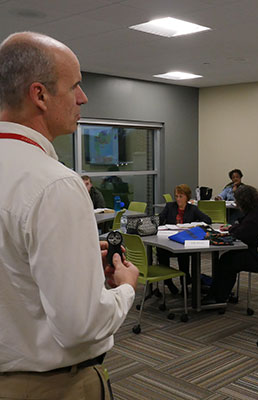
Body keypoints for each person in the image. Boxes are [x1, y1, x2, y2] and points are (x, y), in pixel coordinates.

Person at [0, 32, 139, 398]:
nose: (83, 97)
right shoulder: (54, 184)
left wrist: (73, 255)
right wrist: (126, 288)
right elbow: (81, 326)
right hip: (49, 386)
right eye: (75, 85)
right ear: (40, 95)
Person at [202, 185, 258, 305]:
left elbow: (240, 233)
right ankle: (218, 293)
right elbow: (243, 227)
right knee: (228, 258)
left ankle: (218, 297)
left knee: (227, 260)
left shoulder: (254, 217)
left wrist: (231, 229)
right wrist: (233, 228)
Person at [158, 184, 212, 294]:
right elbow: (159, 219)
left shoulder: (192, 209)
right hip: (170, 239)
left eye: (181, 196)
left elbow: (208, 220)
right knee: (160, 251)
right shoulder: (170, 206)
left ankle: (185, 284)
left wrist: (193, 225)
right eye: (176, 196)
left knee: (183, 255)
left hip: (184, 240)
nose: (178, 199)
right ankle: (168, 281)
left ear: (187, 197)